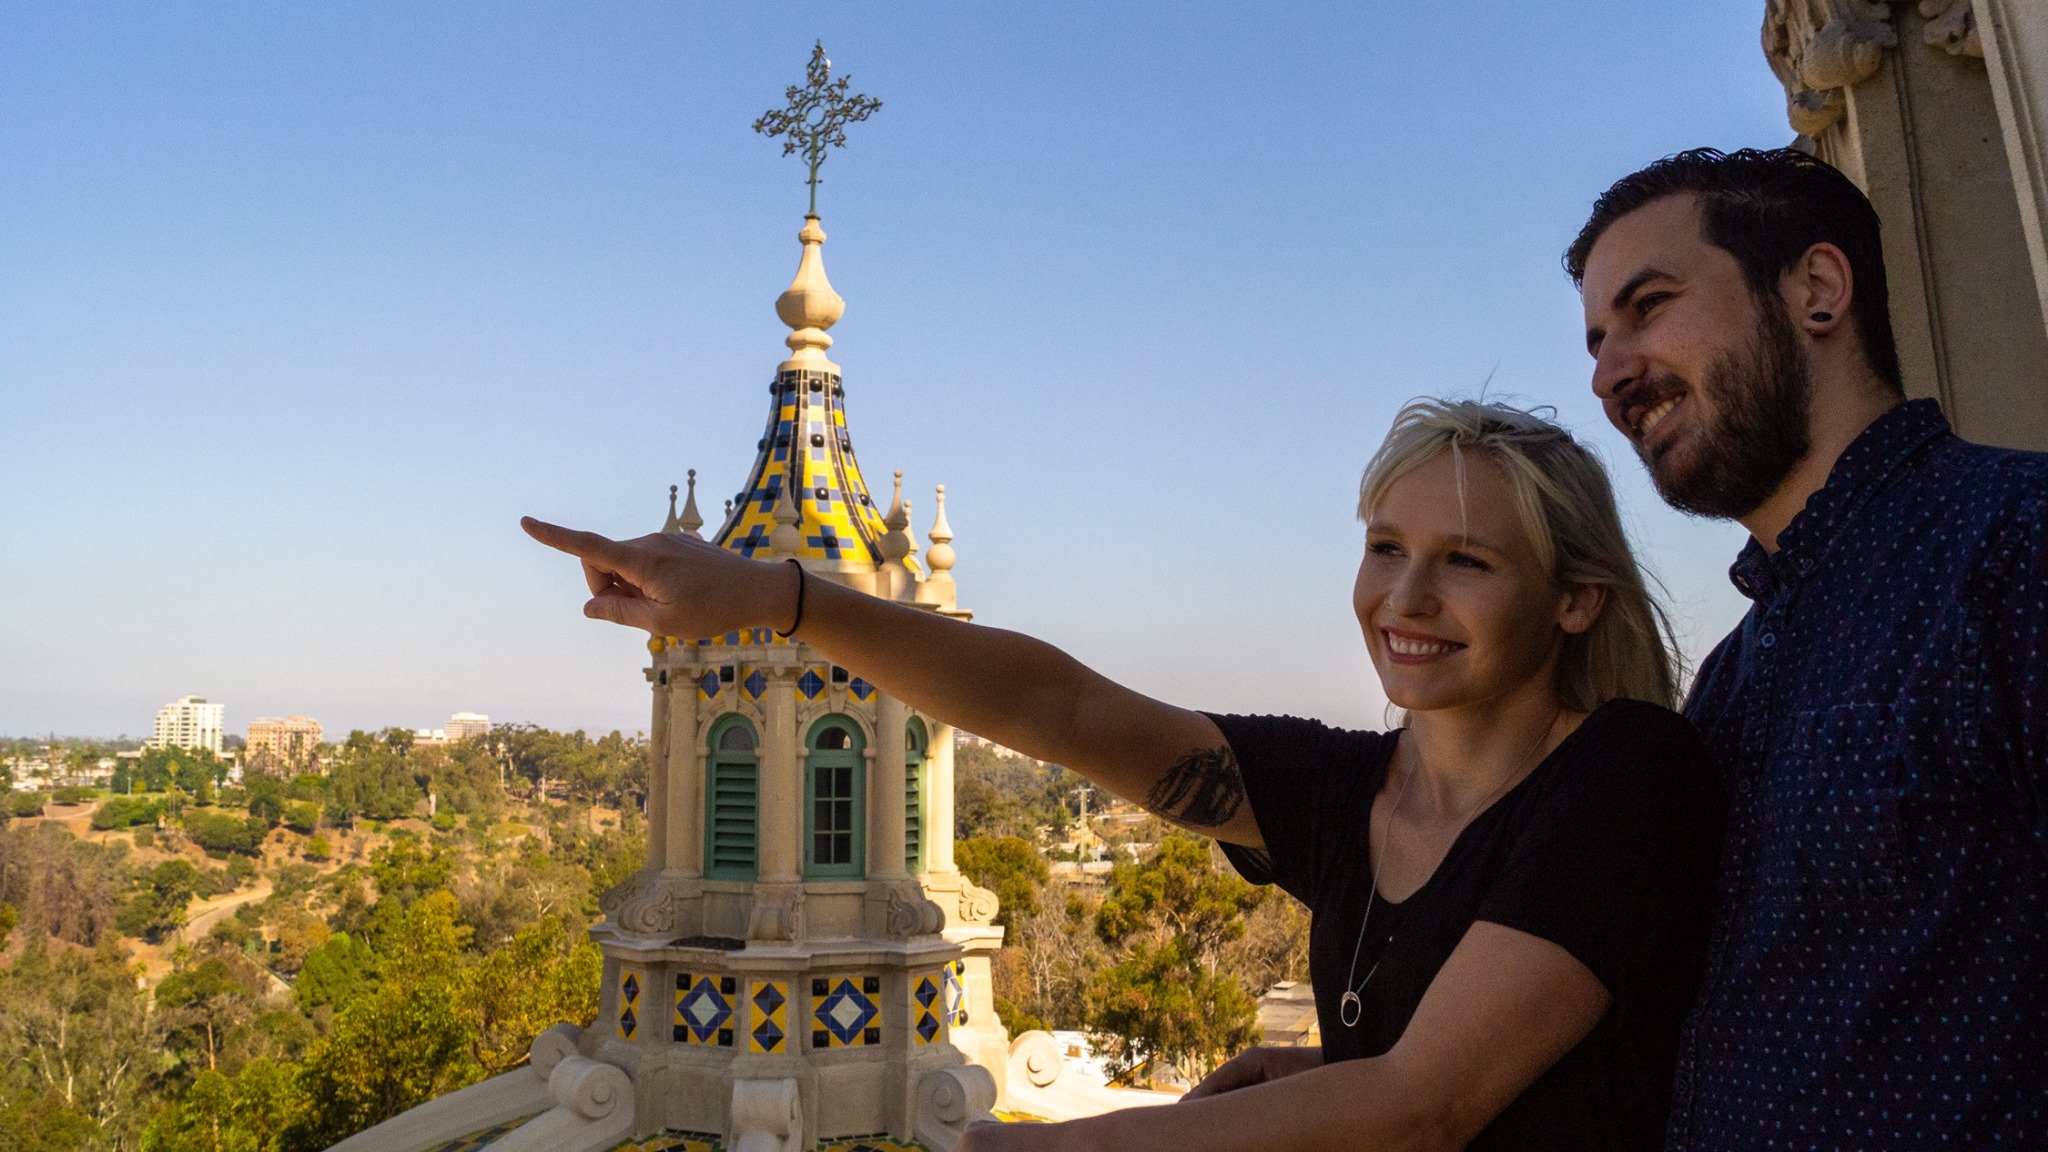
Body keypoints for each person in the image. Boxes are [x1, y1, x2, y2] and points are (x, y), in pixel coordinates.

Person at [524, 398, 1724, 1151]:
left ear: (1574, 599)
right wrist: (777, 602)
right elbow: (1064, 707)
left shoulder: (1628, 782)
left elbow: (1424, 1106)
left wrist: (1081, 1146)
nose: (1403, 599)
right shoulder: (1343, 795)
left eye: (1463, 562)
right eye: (1383, 549)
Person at [1567, 147, 2048, 1150]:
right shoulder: (1731, 678)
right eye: (1595, 344)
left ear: (1815, 291)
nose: (1609, 377)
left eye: (1647, 306)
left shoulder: (2016, 544)